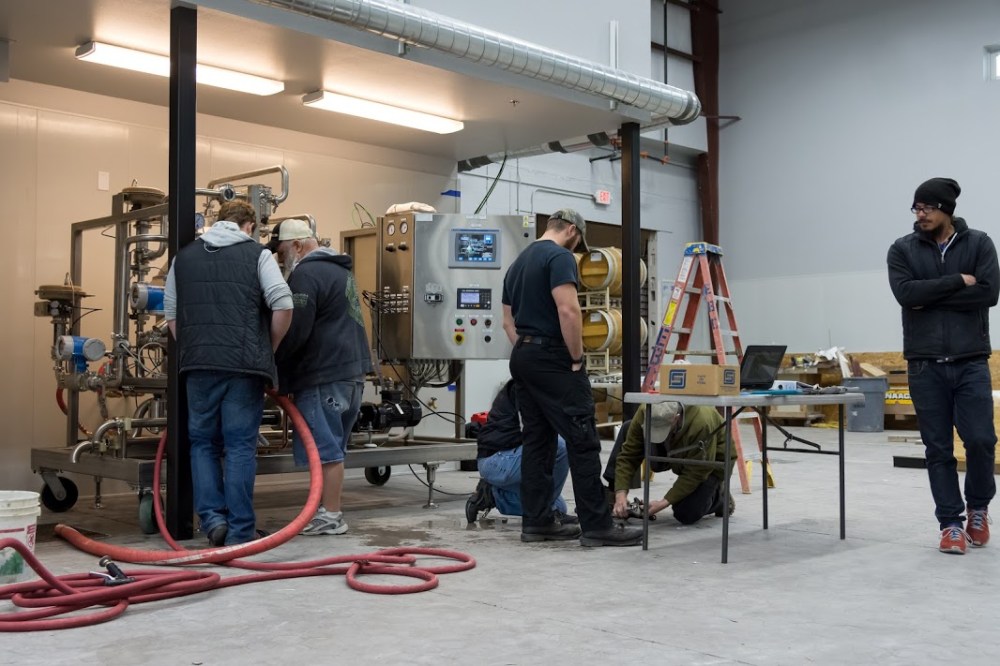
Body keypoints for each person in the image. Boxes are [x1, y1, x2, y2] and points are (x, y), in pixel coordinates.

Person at [501, 208, 642, 546]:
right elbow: (568, 309)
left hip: (523, 354)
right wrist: (576, 357)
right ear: (572, 231)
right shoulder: (560, 257)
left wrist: (528, 351)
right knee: (582, 439)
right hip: (553, 357)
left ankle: (536, 523)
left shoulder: (517, 264)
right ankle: (597, 526)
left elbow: (508, 322)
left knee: (537, 441)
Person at [165, 199, 293, 546]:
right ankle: (240, 530)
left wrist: (195, 348)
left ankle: (212, 520)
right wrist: (268, 347)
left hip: (197, 366)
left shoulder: (183, 257)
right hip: (242, 368)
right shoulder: (257, 254)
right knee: (238, 446)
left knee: (202, 443)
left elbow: (171, 314)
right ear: (249, 227)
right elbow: (283, 302)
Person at [887, 177, 1000, 554]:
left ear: (945, 209)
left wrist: (930, 295)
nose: (920, 215)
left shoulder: (979, 243)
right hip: (924, 364)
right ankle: (950, 524)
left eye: (927, 208)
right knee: (937, 449)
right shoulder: (902, 249)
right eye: (916, 209)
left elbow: (989, 294)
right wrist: (957, 281)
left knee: (982, 441)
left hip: (970, 362)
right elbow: (906, 294)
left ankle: (978, 508)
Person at [274, 219, 372, 536]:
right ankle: (327, 510)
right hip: (351, 374)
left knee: (325, 450)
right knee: (335, 448)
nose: (280, 259)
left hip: (323, 374)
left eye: (282, 252)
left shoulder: (306, 274)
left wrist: (276, 371)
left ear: (299, 245)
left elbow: (296, 331)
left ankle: (331, 515)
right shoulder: (340, 270)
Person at [465, 379, 578, 525]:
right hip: (496, 459)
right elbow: (535, 435)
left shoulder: (543, 388)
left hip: (513, 457)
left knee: (560, 507)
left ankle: (491, 496)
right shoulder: (526, 388)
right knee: (561, 445)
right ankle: (545, 511)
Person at [608, 402, 735, 524]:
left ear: (676, 418)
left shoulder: (701, 423)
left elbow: (697, 472)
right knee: (628, 427)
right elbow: (629, 454)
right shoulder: (645, 409)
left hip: (710, 464)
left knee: (685, 513)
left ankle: (719, 496)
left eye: (661, 429)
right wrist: (620, 493)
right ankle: (613, 494)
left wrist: (663, 502)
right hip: (675, 448)